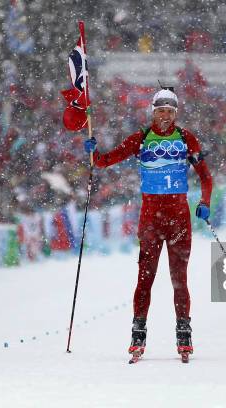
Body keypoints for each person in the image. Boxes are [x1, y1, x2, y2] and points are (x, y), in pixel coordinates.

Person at [84, 88, 212, 359]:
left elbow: (205, 177)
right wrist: (93, 153)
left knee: (180, 280)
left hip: (179, 221)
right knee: (145, 279)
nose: (165, 116)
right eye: (160, 110)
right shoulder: (141, 138)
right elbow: (106, 161)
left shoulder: (186, 138)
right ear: (152, 112)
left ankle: (184, 333)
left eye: (170, 111)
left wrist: (205, 202)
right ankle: (138, 334)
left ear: (176, 113)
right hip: (151, 221)